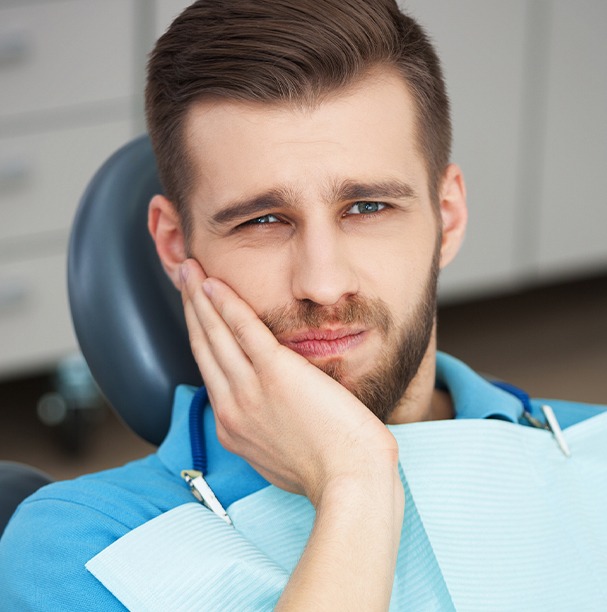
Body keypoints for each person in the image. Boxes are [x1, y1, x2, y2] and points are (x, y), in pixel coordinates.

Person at [1, 1, 606, 609]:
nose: (322, 282)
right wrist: (355, 485)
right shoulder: (82, 548)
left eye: (368, 208)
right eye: (263, 220)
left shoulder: (595, 450)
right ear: (175, 243)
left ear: (446, 217)